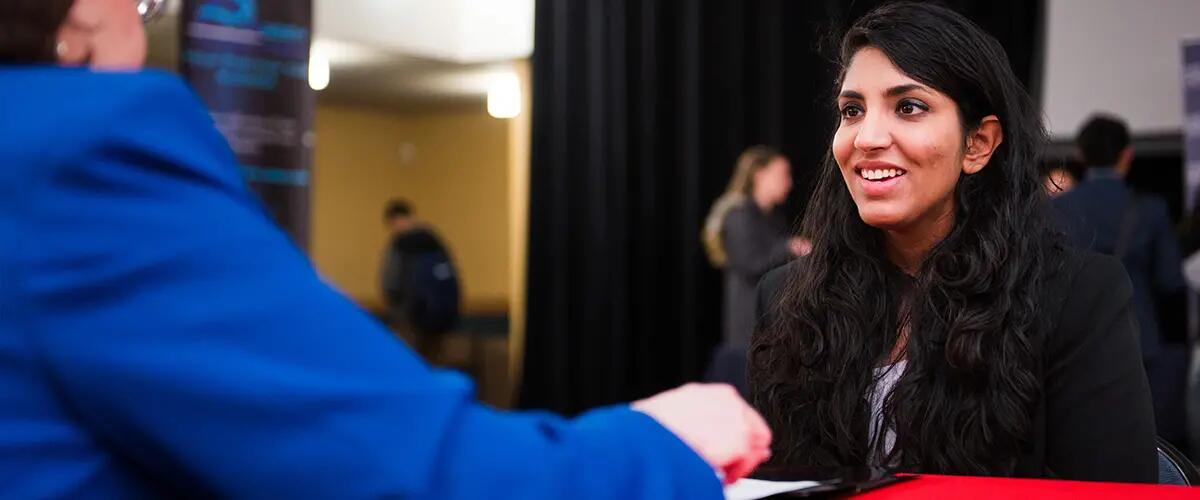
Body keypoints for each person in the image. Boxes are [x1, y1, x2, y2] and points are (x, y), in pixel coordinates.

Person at [0, 1, 771, 498]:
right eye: (144, 3)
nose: (145, 23)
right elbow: (415, 473)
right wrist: (659, 441)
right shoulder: (83, 144)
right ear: (78, 15)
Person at [747, 2, 1157, 483]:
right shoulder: (787, 300)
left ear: (978, 144)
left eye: (909, 107)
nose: (867, 136)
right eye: (852, 110)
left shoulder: (1078, 297)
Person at [1054, 114, 1189, 450]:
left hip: (1069, 342)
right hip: (1142, 341)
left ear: (1081, 156)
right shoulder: (1151, 210)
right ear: (1127, 155)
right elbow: (1172, 282)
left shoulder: (1054, 209)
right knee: (1147, 447)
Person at [379, 199, 460, 344]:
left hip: (409, 316)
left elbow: (391, 282)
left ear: (396, 219)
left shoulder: (400, 246)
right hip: (440, 317)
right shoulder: (434, 241)